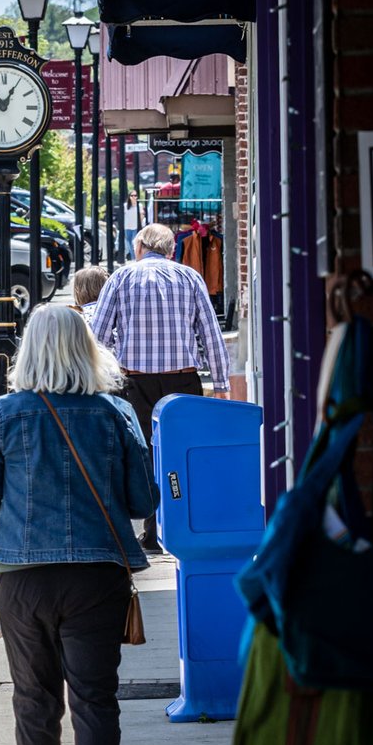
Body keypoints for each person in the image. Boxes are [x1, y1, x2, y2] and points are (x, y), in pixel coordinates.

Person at [0, 304, 159, 745]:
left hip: (24, 579)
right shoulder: (115, 414)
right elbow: (144, 502)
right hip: (98, 578)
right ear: (88, 349)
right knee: (95, 700)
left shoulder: (5, 413)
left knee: (34, 701)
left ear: (28, 351)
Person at [90, 223, 230, 553]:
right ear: (170, 250)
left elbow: (97, 336)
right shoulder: (190, 277)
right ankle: (185, 527)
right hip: (183, 380)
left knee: (145, 456)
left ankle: (153, 533)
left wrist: (103, 371)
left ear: (140, 248)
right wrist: (222, 383)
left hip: (135, 382)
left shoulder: (121, 278)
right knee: (185, 452)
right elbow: (211, 334)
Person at [123, 192, 141, 259]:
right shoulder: (125, 205)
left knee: (134, 242)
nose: (133, 197)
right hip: (127, 226)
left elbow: (141, 215)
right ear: (129, 197)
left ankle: (134, 257)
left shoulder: (139, 205)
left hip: (135, 227)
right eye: (132, 195)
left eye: (135, 195)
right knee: (129, 243)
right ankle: (133, 256)